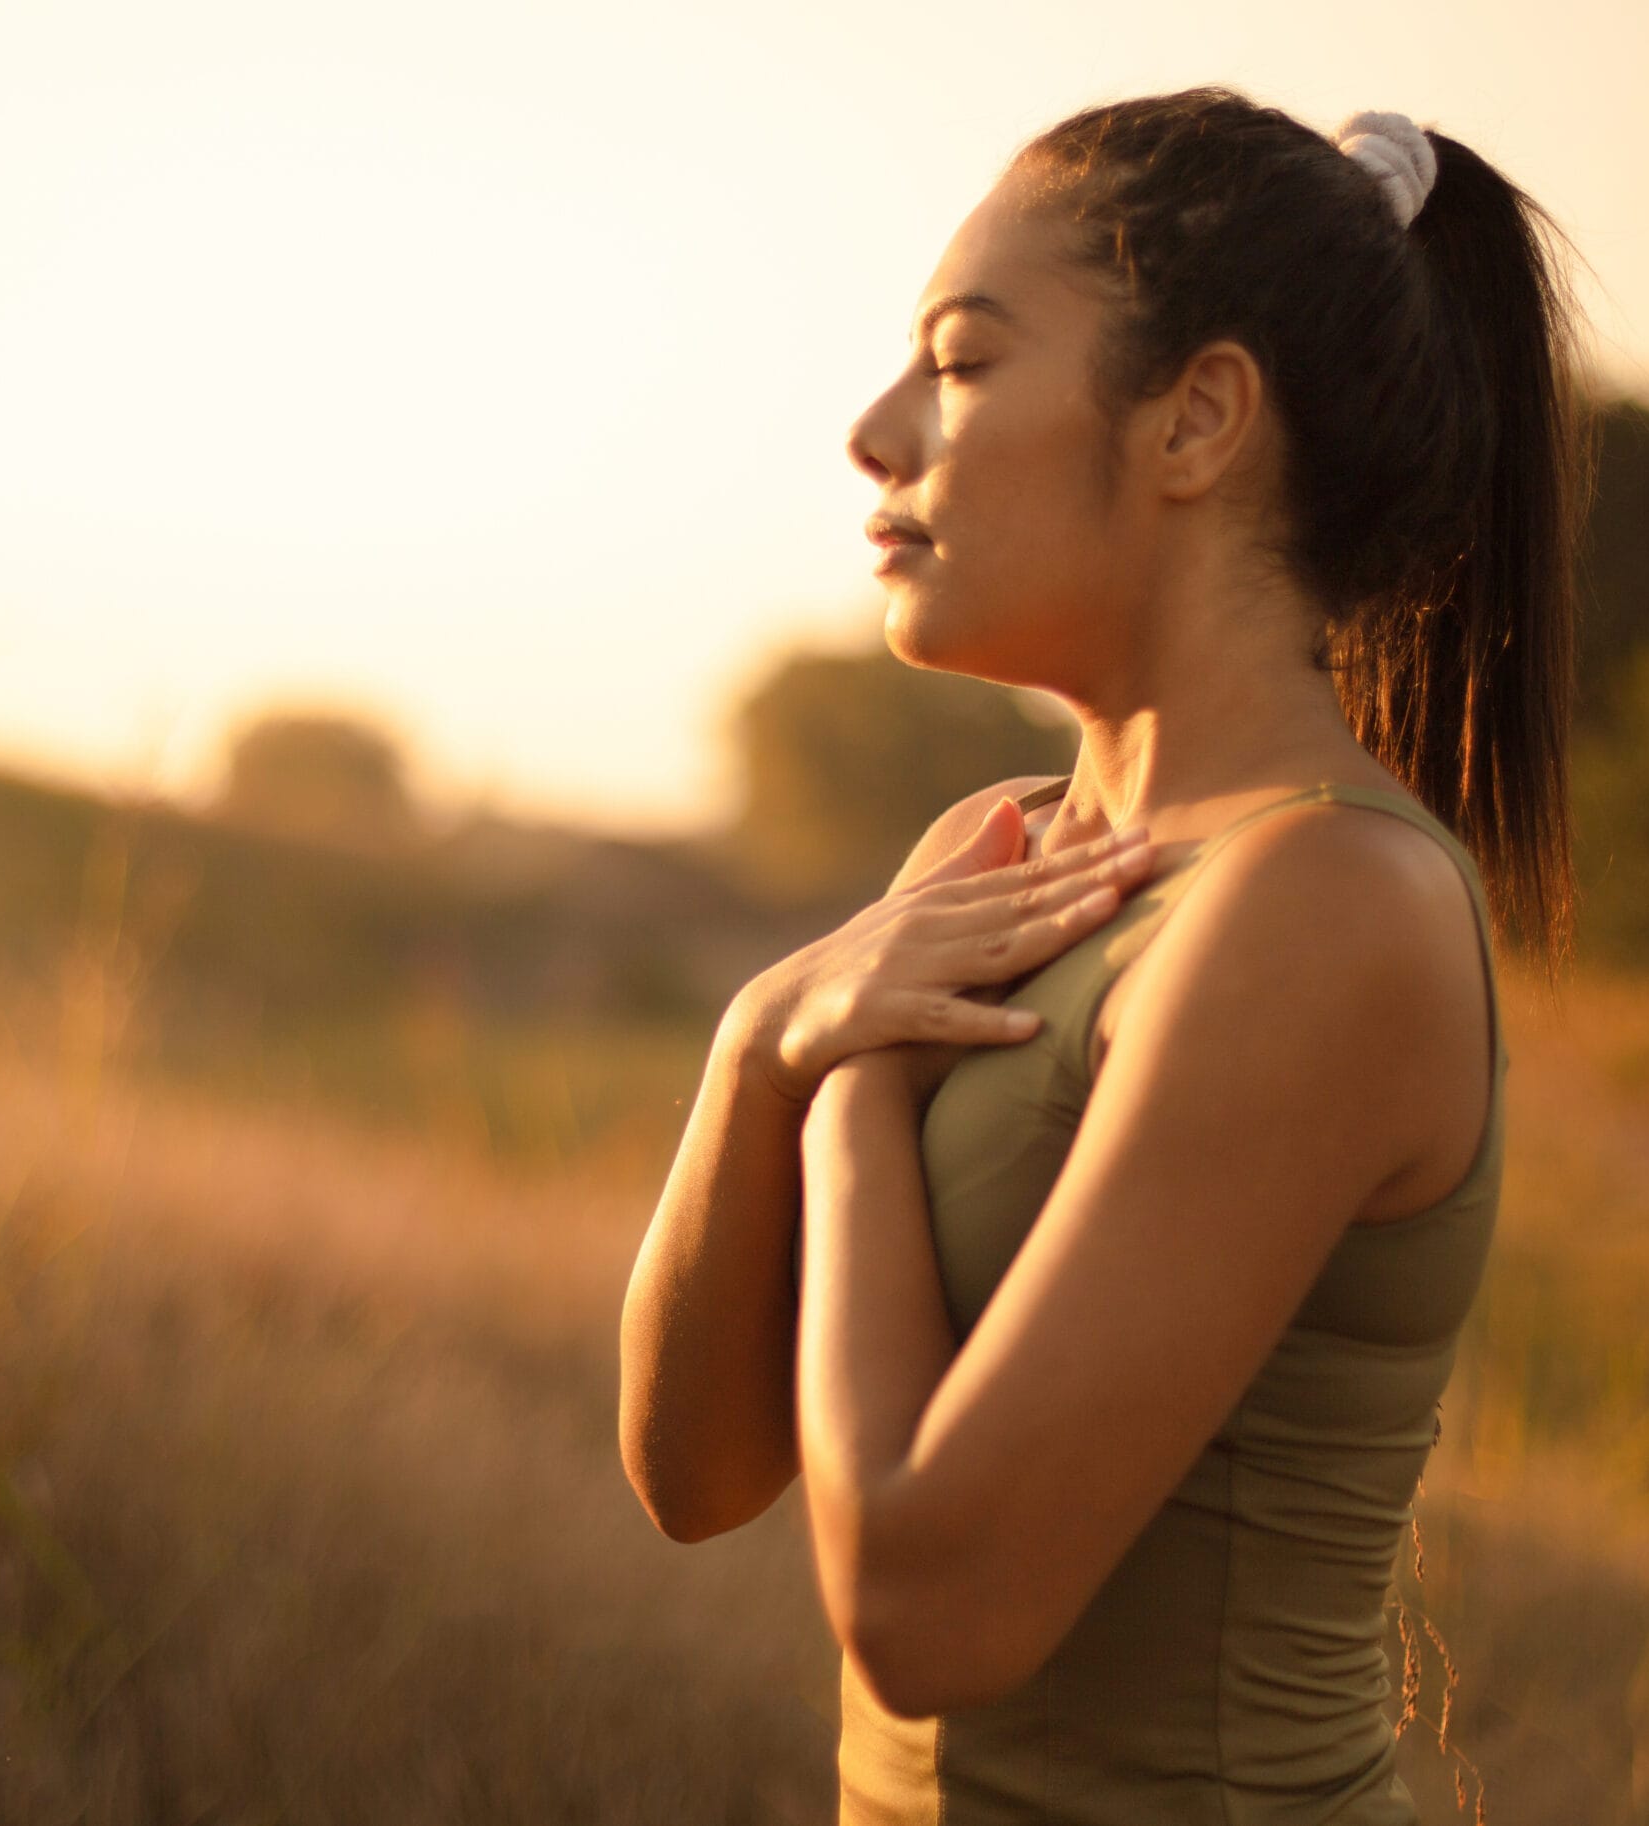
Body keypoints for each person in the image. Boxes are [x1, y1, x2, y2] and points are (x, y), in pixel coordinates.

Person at [619, 84, 1592, 1824]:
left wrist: (848, 1091)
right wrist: (764, 1038)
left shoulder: (1323, 903)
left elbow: (927, 1608)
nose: (873, 428)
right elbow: (692, 1472)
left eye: (964, 361)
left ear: (1199, 418)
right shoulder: (989, 859)